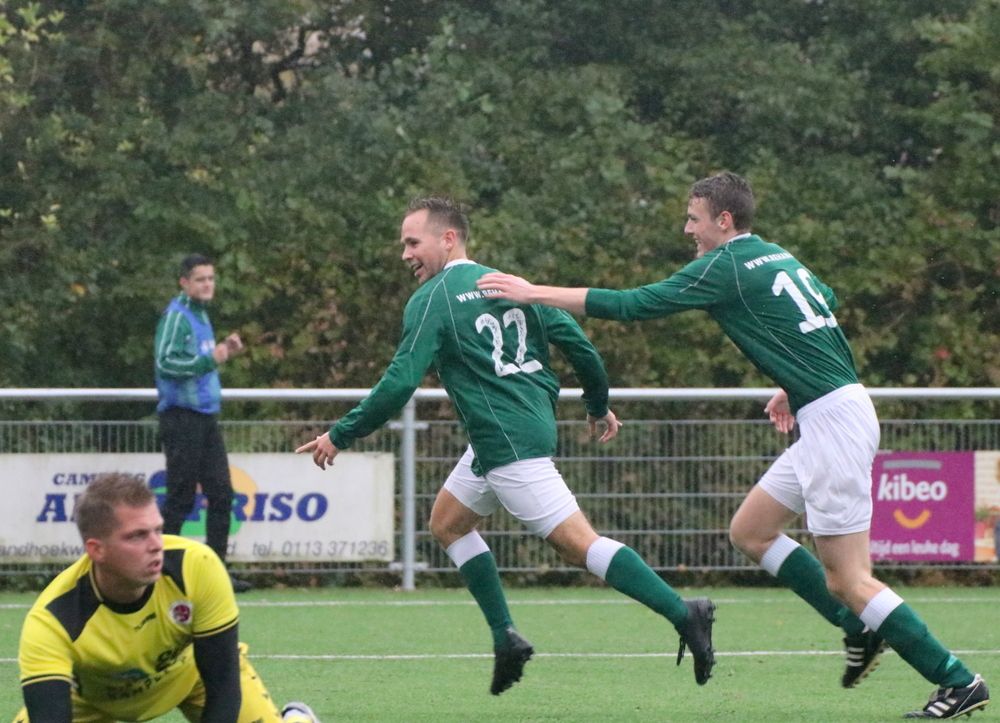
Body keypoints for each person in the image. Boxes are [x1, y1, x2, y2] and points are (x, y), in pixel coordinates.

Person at [477, 171, 991, 719]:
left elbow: (633, 305)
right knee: (752, 530)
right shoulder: (777, 255)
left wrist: (533, 292)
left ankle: (956, 679)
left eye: (694, 219)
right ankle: (856, 629)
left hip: (833, 423)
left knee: (850, 578)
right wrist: (792, 382)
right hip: (833, 409)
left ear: (724, 221)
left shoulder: (724, 267)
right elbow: (824, 304)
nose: (687, 229)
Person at [296, 196, 716, 695]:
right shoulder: (510, 284)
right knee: (448, 523)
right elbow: (580, 347)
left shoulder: (433, 299)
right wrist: (597, 402)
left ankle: (683, 612)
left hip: (508, 445)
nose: (405, 254)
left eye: (413, 242)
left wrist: (339, 435)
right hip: (511, 435)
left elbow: (398, 384)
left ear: (448, 239)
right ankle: (506, 637)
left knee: (581, 546)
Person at [14, 472, 318, 723]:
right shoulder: (52, 621)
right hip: (90, 702)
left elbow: (224, 687)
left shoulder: (197, 566)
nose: (156, 545)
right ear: (97, 550)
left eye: (158, 530)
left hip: (193, 679)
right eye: (137, 535)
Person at [154, 253, 251, 593]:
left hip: (205, 417)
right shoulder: (177, 316)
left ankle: (216, 574)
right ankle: (160, 572)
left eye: (211, 278)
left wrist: (224, 350)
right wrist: (214, 357)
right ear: (184, 283)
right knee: (180, 497)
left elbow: (198, 359)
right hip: (182, 418)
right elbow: (166, 364)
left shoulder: (199, 315)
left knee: (222, 494)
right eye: (201, 279)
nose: (208, 284)